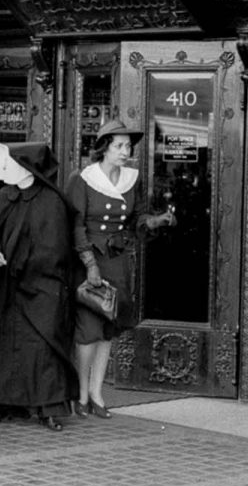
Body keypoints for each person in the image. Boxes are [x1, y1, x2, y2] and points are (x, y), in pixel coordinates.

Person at [66, 120, 176, 418]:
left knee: (107, 329)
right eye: (119, 146)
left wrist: (155, 221)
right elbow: (75, 226)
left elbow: (136, 219)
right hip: (88, 259)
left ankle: (97, 394)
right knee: (88, 329)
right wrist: (89, 264)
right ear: (104, 148)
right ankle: (80, 393)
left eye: (128, 146)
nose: (125, 151)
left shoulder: (131, 179)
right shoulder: (83, 178)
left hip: (117, 259)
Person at [0, 143, 78, 431]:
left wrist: (17, 262)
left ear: (28, 168)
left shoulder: (52, 202)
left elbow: (56, 251)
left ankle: (47, 408)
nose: (4, 169)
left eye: (10, 164)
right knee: (5, 346)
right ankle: (3, 404)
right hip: (5, 289)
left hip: (42, 287)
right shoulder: (6, 195)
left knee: (43, 347)